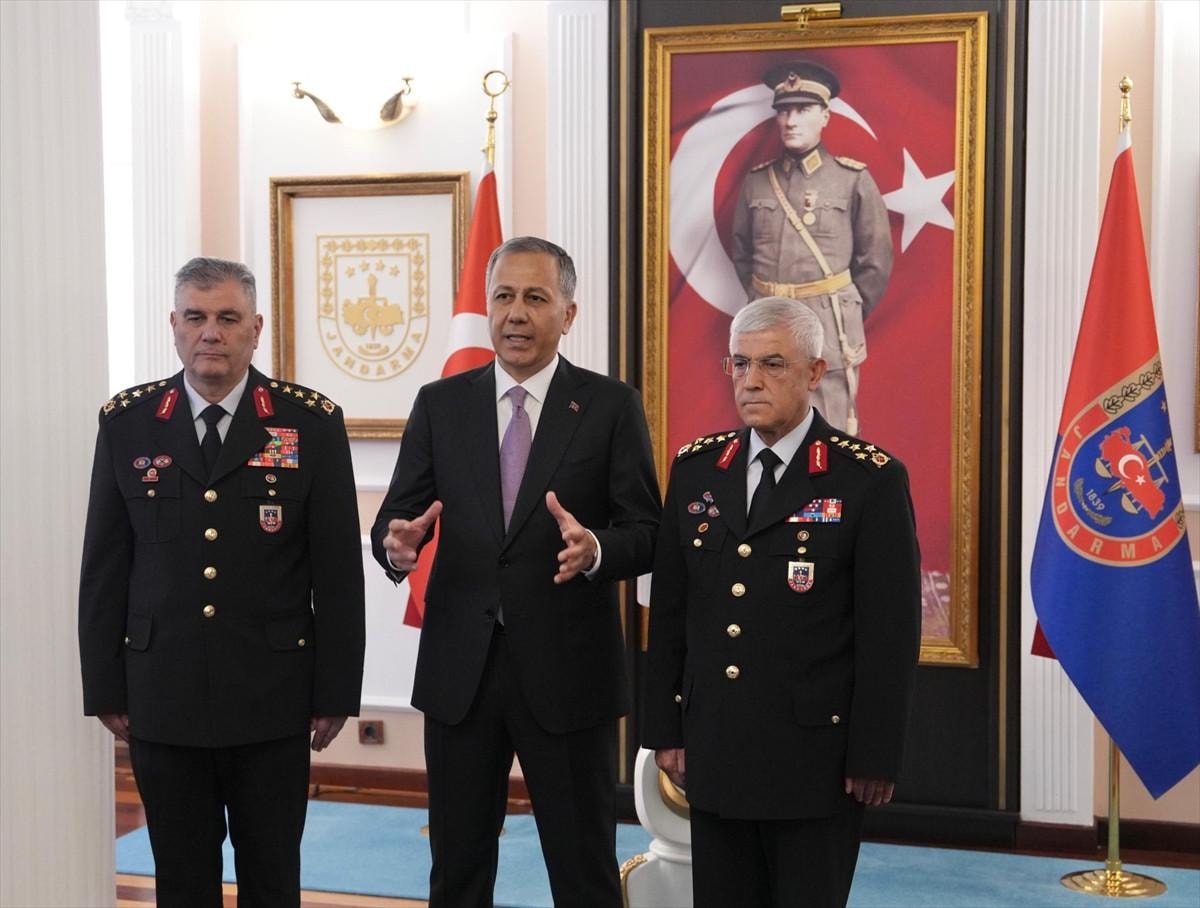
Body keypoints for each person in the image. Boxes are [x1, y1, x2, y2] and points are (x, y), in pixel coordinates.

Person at [372, 236, 660, 908]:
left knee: (583, 870)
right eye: (503, 296)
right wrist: (397, 547)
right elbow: (399, 520)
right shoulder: (441, 404)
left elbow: (648, 533)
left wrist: (597, 549)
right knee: (458, 870)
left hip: (569, 672)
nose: (516, 313)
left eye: (535, 297)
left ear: (568, 313)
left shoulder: (609, 406)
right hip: (461, 674)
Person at [79, 257, 366, 907]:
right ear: (174, 326)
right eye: (196, 317)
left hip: (273, 695)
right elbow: (104, 567)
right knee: (182, 879)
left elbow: (337, 575)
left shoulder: (308, 423)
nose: (211, 332)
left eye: (228, 318)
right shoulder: (128, 423)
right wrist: (104, 685)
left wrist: (336, 692)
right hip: (163, 692)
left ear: (256, 328)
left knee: (272, 875)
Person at [642, 296, 920, 908]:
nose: (751, 380)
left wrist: (875, 753)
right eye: (739, 364)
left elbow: (890, 634)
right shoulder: (697, 469)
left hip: (814, 760)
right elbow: (671, 613)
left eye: (772, 364)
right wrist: (664, 727)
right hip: (717, 748)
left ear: (816, 372)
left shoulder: (867, 479)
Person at [730, 60, 894, 434]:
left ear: (825, 116)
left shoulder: (852, 180)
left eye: (803, 109)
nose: (791, 121)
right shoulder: (757, 182)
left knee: (829, 435)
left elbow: (876, 262)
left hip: (829, 327)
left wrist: (843, 308)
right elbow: (742, 254)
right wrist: (766, 302)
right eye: (784, 111)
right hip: (766, 326)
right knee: (766, 430)